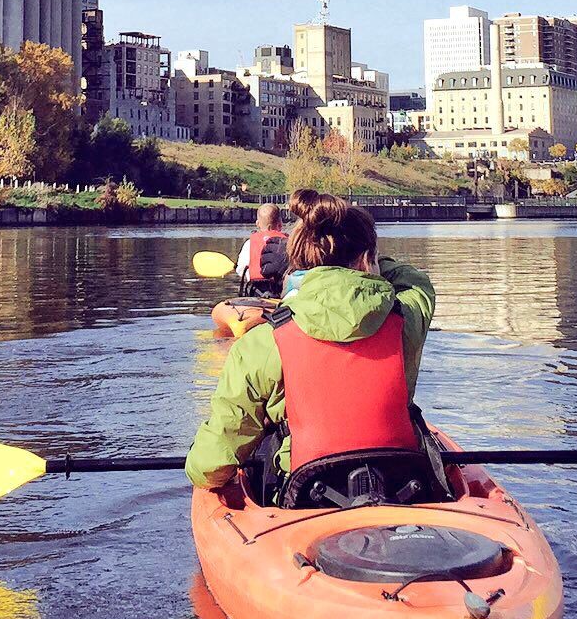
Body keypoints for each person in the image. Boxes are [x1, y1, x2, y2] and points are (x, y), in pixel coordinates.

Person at [185, 196, 438, 508]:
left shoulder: (262, 342)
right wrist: (369, 257)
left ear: (300, 265)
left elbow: (214, 461)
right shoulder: (408, 318)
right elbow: (415, 282)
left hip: (307, 498)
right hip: (404, 488)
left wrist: (200, 472)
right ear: (366, 260)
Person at [234, 204, 288, 298]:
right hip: (281, 291)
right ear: (280, 223)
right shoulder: (288, 242)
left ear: (257, 223)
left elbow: (241, 270)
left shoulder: (249, 243)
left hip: (256, 291)